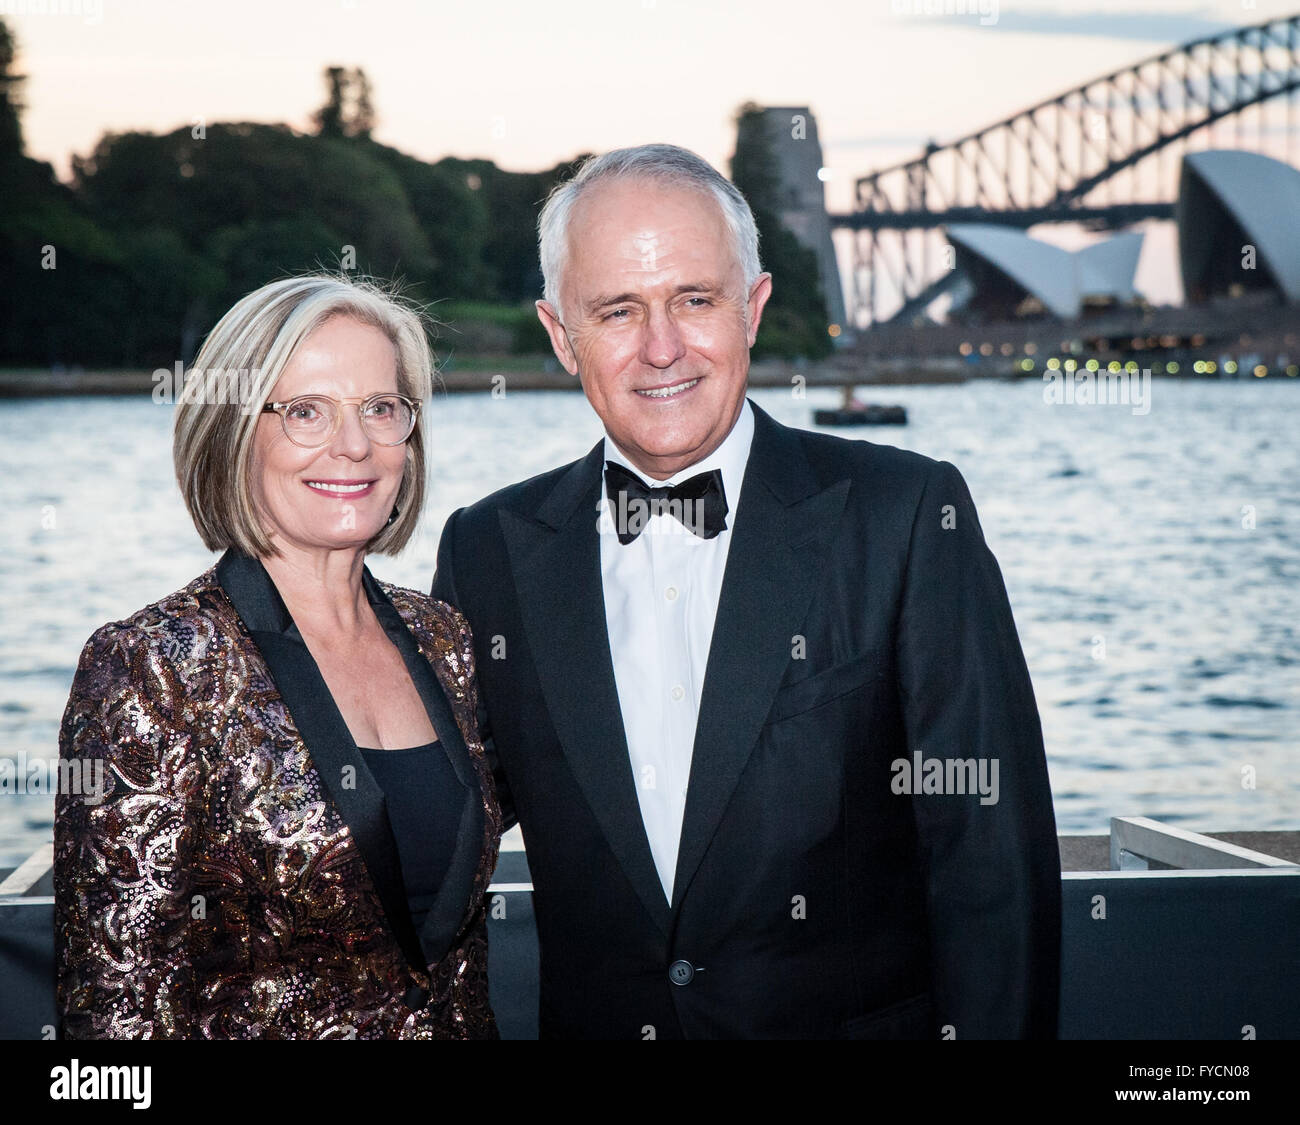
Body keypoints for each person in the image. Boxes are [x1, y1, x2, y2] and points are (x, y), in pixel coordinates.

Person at [433, 144, 1061, 1039]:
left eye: (695, 299)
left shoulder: (907, 516)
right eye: (618, 310)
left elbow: (990, 862)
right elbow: (439, 835)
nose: (662, 347)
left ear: (753, 308)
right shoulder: (486, 550)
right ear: (560, 335)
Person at [56, 275, 500, 1039]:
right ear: (234, 430)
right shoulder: (155, 667)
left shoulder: (445, 640)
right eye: (305, 411)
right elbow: (111, 1015)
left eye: (379, 408)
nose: (354, 444)